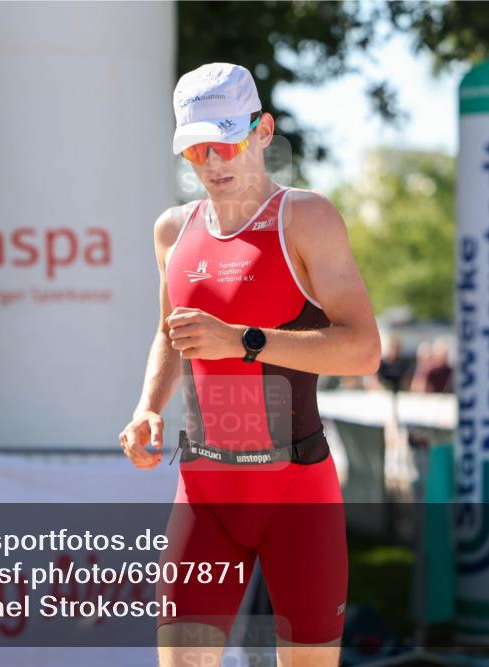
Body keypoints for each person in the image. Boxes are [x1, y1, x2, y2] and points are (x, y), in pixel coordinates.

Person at [118, 62, 381, 667]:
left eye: (227, 141)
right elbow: (170, 332)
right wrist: (146, 409)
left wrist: (243, 341)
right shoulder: (171, 231)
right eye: (196, 149)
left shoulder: (306, 218)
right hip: (205, 490)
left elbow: (364, 348)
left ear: (263, 131)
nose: (213, 162)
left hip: (296, 494)